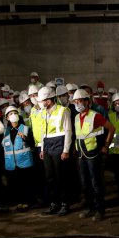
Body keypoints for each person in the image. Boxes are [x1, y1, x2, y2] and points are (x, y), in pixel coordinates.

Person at [72, 89, 115, 221]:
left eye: (80, 101)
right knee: (85, 183)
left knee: (96, 182)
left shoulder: (95, 115)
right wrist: (75, 148)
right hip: (81, 154)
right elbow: (79, 135)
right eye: (75, 101)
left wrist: (106, 145)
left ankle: (100, 210)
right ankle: (90, 208)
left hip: (93, 154)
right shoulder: (76, 117)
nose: (77, 104)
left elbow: (111, 128)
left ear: (87, 101)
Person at [31, 86, 72, 216]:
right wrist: (43, 148)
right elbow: (44, 132)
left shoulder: (63, 111)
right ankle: (54, 204)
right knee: (49, 177)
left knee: (61, 177)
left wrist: (66, 150)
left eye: (42, 101)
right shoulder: (43, 113)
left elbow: (68, 131)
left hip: (59, 145)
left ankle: (65, 204)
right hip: (48, 146)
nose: (40, 103)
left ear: (48, 100)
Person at [2, 106, 35, 212]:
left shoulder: (24, 128)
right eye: (10, 114)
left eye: (15, 113)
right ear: (7, 117)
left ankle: (27, 202)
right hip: (11, 162)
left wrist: (25, 138)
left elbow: (32, 143)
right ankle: (19, 202)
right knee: (15, 184)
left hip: (24, 161)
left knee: (26, 183)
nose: (13, 115)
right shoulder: (6, 131)